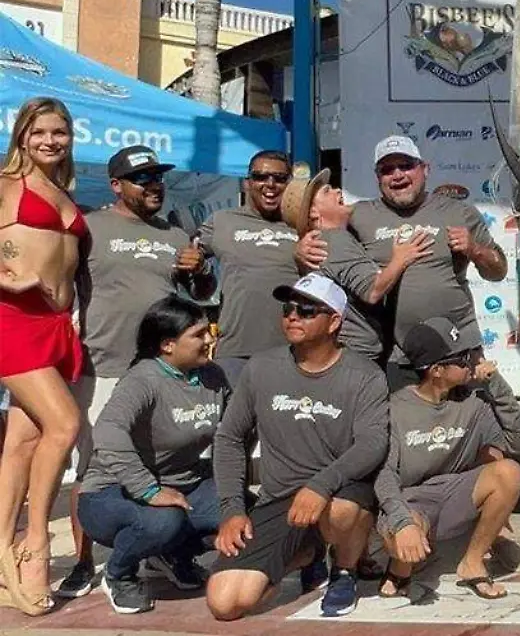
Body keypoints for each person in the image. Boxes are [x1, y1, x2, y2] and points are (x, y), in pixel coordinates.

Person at [56, 145, 216, 600]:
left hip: (164, 371)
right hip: (103, 364)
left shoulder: (174, 233)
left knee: (162, 461)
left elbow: (200, 295)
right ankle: (84, 563)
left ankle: (161, 548)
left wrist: (200, 269)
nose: (153, 185)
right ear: (116, 186)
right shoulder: (89, 226)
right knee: (93, 467)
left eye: (157, 177)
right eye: (142, 178)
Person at [205, 273, 389, 620]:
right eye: (289, 308)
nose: (293, 315)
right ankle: (309, 552)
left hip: (339, 490)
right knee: (225, 603)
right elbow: (229, 438)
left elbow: (372, 443)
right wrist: (232, 508)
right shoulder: (261, 367)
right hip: (279, 498)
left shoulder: (365, 375)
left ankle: (344, 570)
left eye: (307, 310)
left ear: (334, 321)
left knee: (341, 512)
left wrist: (321, 484)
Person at [296, 136, 507, 390]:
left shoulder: (459, 212)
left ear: (424, 169)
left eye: (406, 166)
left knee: (471, 425)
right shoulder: (359, 214)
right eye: (387, 170)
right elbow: (315, 219)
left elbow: (499, 270)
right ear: (378, 178)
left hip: (460, 349)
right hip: (400, 355)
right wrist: (298, 248)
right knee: (407, 428)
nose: (397, 175)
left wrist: (475, 250)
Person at [76, 296, 227, 614]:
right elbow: (107, 431)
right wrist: (149, 490)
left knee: (241, 513)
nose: (209, 340)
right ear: (168, 345)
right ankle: (119, 574)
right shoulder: (142, 380)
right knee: (163, 522)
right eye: (198, 335)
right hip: (111, 493)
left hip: (185, 483)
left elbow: (236, 428)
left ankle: (172, 556)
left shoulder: (212, 376)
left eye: (208, 331)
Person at [0, 96, 87, 616]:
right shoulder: (5, 186)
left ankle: (1, 548)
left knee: (24, 437)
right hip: (14, 319)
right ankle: (35, 547)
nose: (50, 141)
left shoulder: (61, 191)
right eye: (40, 133)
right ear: (22, 137)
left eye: (59, 133)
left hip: (57, 327)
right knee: (64, 425)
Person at [374, 317, 520, 600]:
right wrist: (401, 521)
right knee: (406, 532)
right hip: (412, 501)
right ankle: (400, 569)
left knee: (509, 471)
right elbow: (384, 476)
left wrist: (496, 384)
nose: (472, 364)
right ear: (436, 370)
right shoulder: (394, 409)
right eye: (462, 359)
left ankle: (472, 563)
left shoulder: (473, 403)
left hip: (455, 496)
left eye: (470, 356)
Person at [280, 167, 432, 362]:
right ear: (313, 213)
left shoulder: (324, 241)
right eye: (327, 191)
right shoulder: (334, 241)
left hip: (342, 352)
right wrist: (401, 259)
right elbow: (372, 290)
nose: (338, 191)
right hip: (355, 354)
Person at [177, 150, 299, 386]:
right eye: (261, 177)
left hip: (293, 350)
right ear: (247, 183)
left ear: (290, 183)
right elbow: (196, 280)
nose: (270, 184)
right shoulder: (221, 220)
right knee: (233, 422)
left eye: (280, 178)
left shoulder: (301, 223)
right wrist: (195, 265)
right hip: (235, 350)